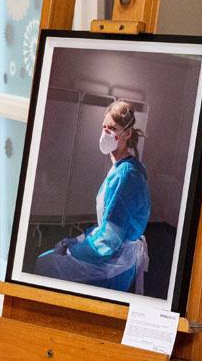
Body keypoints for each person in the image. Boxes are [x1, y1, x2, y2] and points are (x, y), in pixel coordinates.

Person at [34, 100, 152, 293]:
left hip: (114, 263)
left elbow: (109, 237)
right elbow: (108, 225)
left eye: (112, 128)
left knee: (44, 263)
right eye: (104, 127)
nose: (105, 133)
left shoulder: (127, 175)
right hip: (114, 252)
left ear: (127, 134)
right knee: (54, 254)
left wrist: (74, 250)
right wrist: (76, 240)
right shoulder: (121, 168)